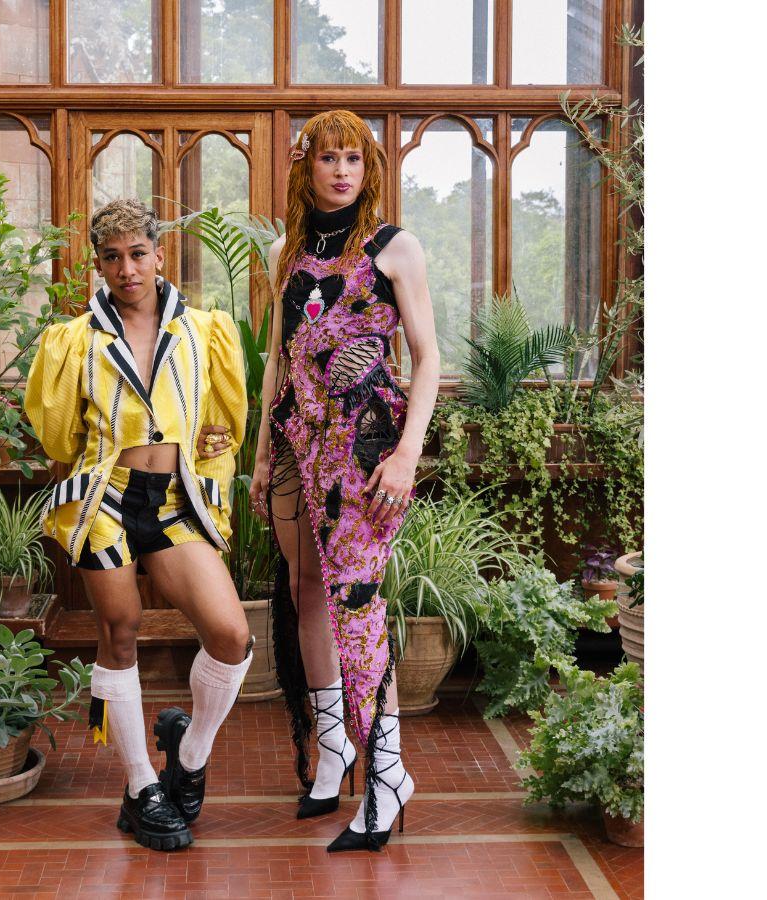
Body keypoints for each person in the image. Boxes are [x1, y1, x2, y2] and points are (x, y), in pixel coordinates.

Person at [23, 198, 253, 852]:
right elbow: (57, 434)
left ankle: (189, 754)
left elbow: (220, 430)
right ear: (98, 263)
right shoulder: (76, 340)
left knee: (231, 634)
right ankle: (138, 785)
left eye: (138, 253)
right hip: (107, 497)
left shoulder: (205, 332)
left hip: (176, 499)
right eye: (113, 257)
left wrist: (214, 447)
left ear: (159, 254)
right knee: (119, 631)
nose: (127, 268)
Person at [249, 111, 441, 852]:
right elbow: (276, 358)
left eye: (352, 160)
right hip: (299, 444)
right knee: (304, 589)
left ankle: (388, 771)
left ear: (368, 170)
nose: (340, 171)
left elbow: (425, 357)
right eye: (327, 158)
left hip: (366, 449)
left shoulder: (396, 249)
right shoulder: (284, 253)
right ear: (307, 168)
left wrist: (406, 455)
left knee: (356, 600)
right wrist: (264, 451)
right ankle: (335, 748)